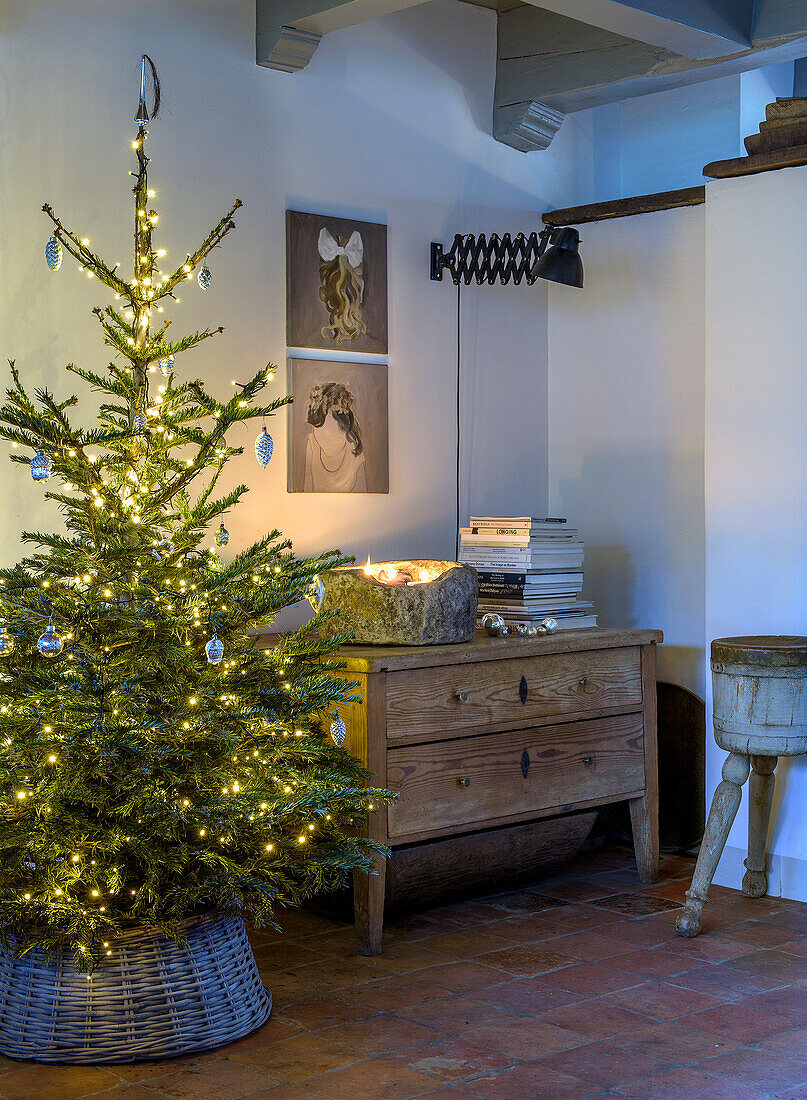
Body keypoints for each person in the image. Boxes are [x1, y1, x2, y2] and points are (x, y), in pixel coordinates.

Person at [304, 382, 367, 492]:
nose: (326, 442)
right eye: (321, 433)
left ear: (346, 430)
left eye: (333, 434)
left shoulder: (355, 456)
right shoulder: (312, 445)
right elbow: (307, 493)